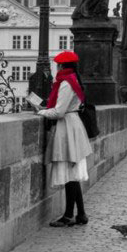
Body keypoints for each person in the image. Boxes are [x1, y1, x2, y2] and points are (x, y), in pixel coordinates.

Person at [37, 51, 93, 227]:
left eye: (57, 65)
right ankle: (81, 214)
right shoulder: (74, 80)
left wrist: (41, 111)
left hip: (67, 126)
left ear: (62, 66)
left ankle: (69, 216)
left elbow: (59, 112)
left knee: (70, 173)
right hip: (73, 124)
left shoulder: (66, 83)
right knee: (73, 173)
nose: (56, 68)